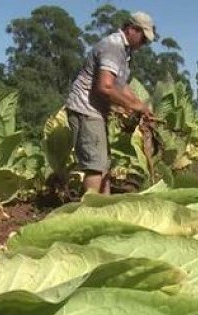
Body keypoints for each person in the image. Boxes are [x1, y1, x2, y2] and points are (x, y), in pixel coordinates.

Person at [66, 11, 155, 194]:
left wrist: (141, 105)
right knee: (95, 165)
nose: (144, 43)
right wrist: (131, 106)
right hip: (86, 109)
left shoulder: (123, 51)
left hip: (96, 112)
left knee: (103, 163)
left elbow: (120, 86)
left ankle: (104, 206)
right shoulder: (112, 47)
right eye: (143, 38)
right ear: (131, 29)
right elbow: (105, 87)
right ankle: (88, 212)